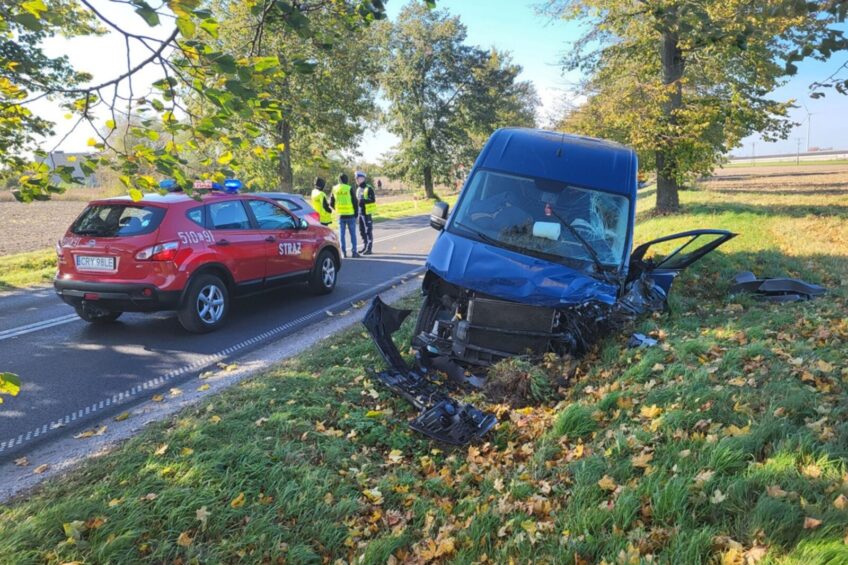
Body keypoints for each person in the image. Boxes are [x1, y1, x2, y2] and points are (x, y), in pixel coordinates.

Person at [330, 173, 359, 258]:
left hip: (340, 215)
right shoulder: (349, 188)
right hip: (350, 215)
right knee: (353, 234)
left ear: (339, 180)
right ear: (347, 180)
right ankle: (354, 252)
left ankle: (343, 253)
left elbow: (331, 203)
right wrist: (356, 214)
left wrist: (337, 209)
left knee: (341, 235)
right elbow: (355, 202)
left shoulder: (334, 189)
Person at [354, 170, 376, 255]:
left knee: (368, 230)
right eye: (356, 178)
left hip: (367, 213)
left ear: (363, 178)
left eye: (358, 178)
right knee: (362, 231)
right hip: (360, 213)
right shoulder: (358, 189)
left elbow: (373, 200)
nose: (356, 180)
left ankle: (369, 248)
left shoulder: (368, 188)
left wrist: (363, 201)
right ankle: (365, 246)